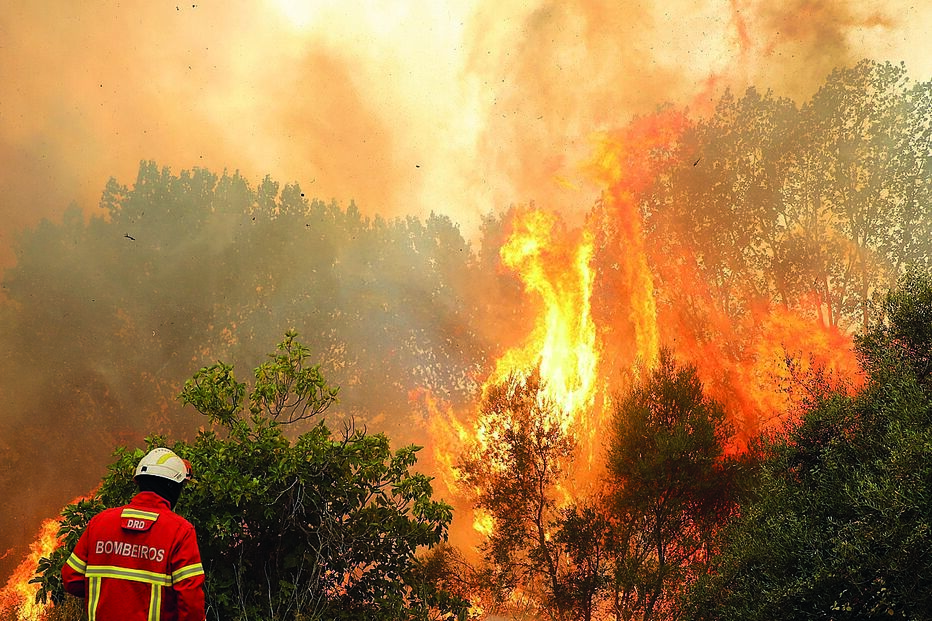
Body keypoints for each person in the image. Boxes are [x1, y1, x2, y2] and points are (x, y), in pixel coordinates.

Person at [62, 447, 206, 621]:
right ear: (172, 487)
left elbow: (71, 579)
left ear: (140, 483)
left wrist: (113, 593)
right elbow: (190, 602)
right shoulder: (180, 531)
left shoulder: (100, 523)